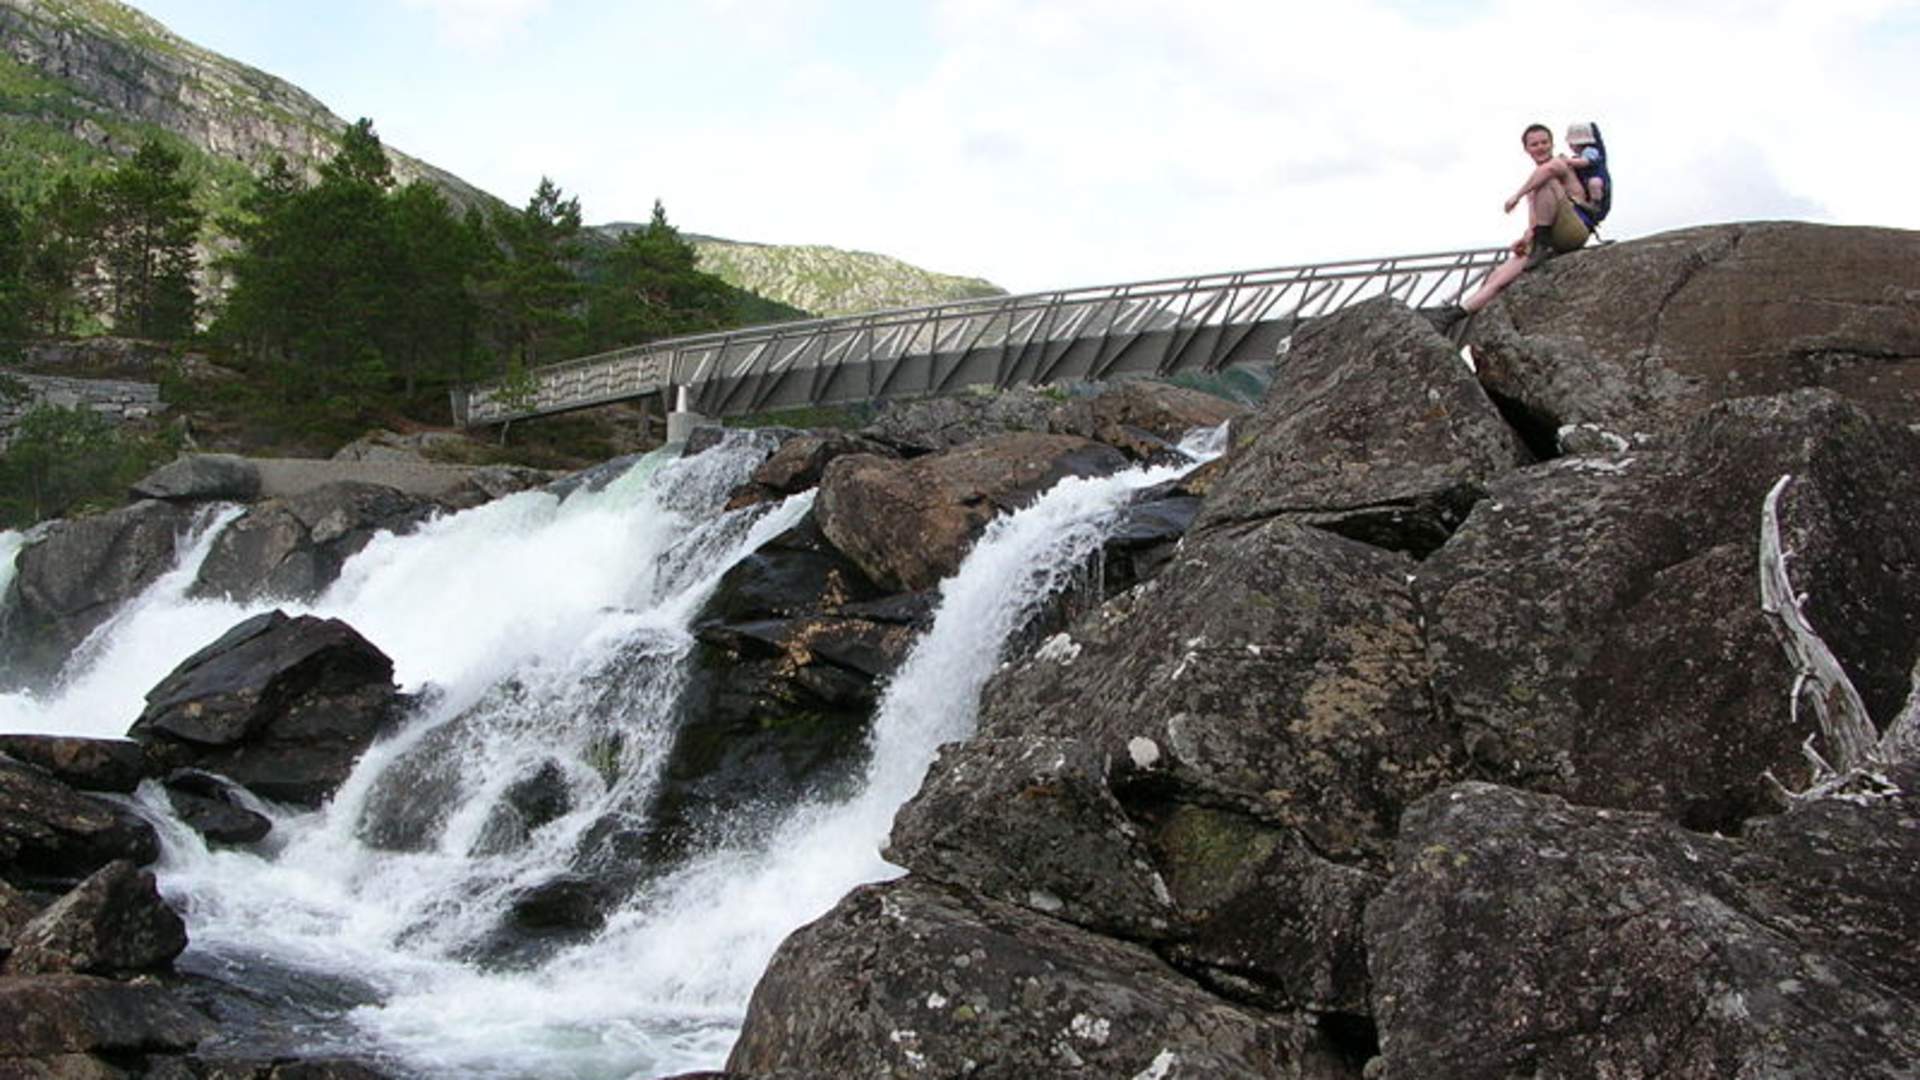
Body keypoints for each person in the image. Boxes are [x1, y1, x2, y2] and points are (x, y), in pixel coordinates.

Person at [1442, 123, 1594, 321]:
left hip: (1573, 229)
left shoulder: (1559, 164)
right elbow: (1535, 222)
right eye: (1534, 144)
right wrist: (1524, 240)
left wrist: (1517, 196)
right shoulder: (1535, 186)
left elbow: (1548, 171)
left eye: (1544, 142)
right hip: (1550, 234)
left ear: (1552, 144)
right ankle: (1455, 314)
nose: (1540, 147)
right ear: (1526, 149)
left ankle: (1541, 246)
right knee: (1499, 275)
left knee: (1545, 183)